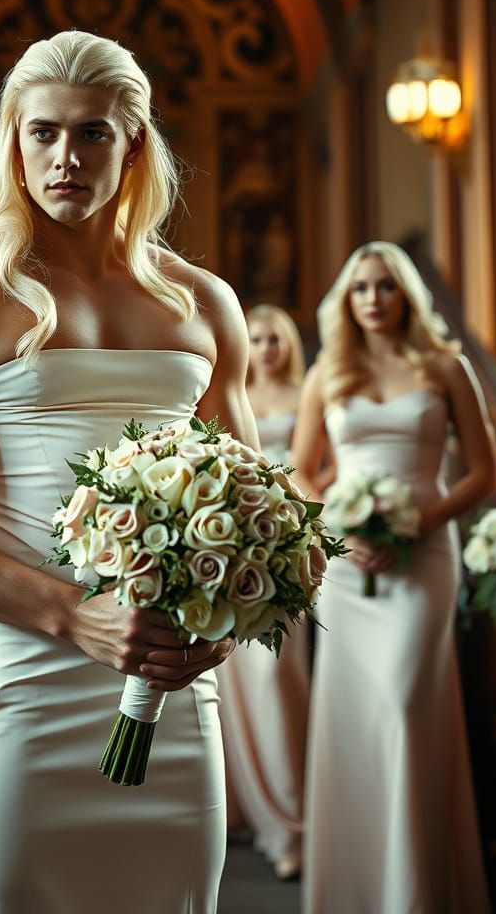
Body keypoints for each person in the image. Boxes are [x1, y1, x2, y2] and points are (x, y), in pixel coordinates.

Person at [0, 30, 255, 913]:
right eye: (42, 133)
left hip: (173, 691)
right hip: (23, 686)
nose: (64, 157)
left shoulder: (204, 303)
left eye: (92, 134)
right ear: (12, 141)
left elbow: (254, 501)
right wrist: (73, 616)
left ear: (135, 144)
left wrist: (226, 627)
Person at [292, 241, 492, 913]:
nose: (373, 299)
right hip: (349, 572)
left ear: (407, 295)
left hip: (426, 558)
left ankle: (418, 891)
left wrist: (417, 520)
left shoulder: (445, 366)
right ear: (345, 302)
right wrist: (341, 530)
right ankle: (358, 891)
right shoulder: (328, 372)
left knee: (406, 706)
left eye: (386, 287)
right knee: (354, 719)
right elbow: (301, 472)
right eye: (361, 289)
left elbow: (484, 474)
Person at [216, 304, 309, 879]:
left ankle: (291, 818)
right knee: (233, 685)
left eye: (276, 337)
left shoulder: (308, 393)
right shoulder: (231, 392)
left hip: (288, 543)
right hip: (231, 546)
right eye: (257, 338)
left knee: (278, 676)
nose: (267, 347)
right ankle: (244, 809)